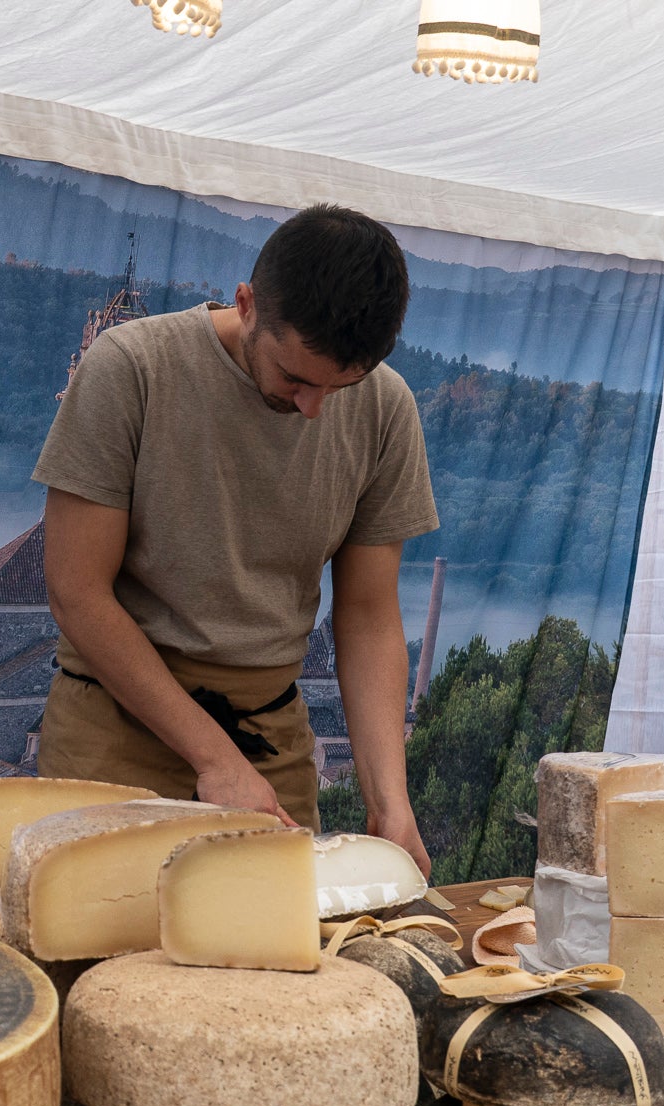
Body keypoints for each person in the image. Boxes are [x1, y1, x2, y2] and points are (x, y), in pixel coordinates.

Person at [32, 203, 436, 874]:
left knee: (273, 969)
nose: (313, 409)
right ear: (246, 304)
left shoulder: (389, 409)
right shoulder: (131, 368)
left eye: (342, 386)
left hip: (268, 737)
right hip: (114, 726)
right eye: (296, 378)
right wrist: (214, 759)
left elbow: (367, 617)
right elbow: (76, 591)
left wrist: (390, 803)